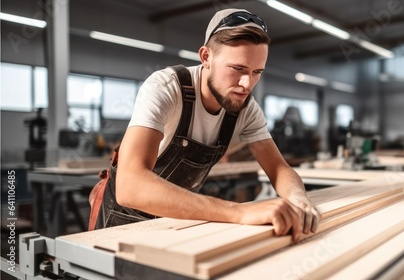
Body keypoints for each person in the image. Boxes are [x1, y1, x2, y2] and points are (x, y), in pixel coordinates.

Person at [91, 8, 320, 242]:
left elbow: (279, 168)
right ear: (206, 57)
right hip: (121, 224)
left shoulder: (245, 108)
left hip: (175, 223)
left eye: (256, 72)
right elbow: (131, 186)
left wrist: (297, 199)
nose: (247, 83)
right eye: (238, 69)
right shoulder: (166, 88)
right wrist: (239, 211)